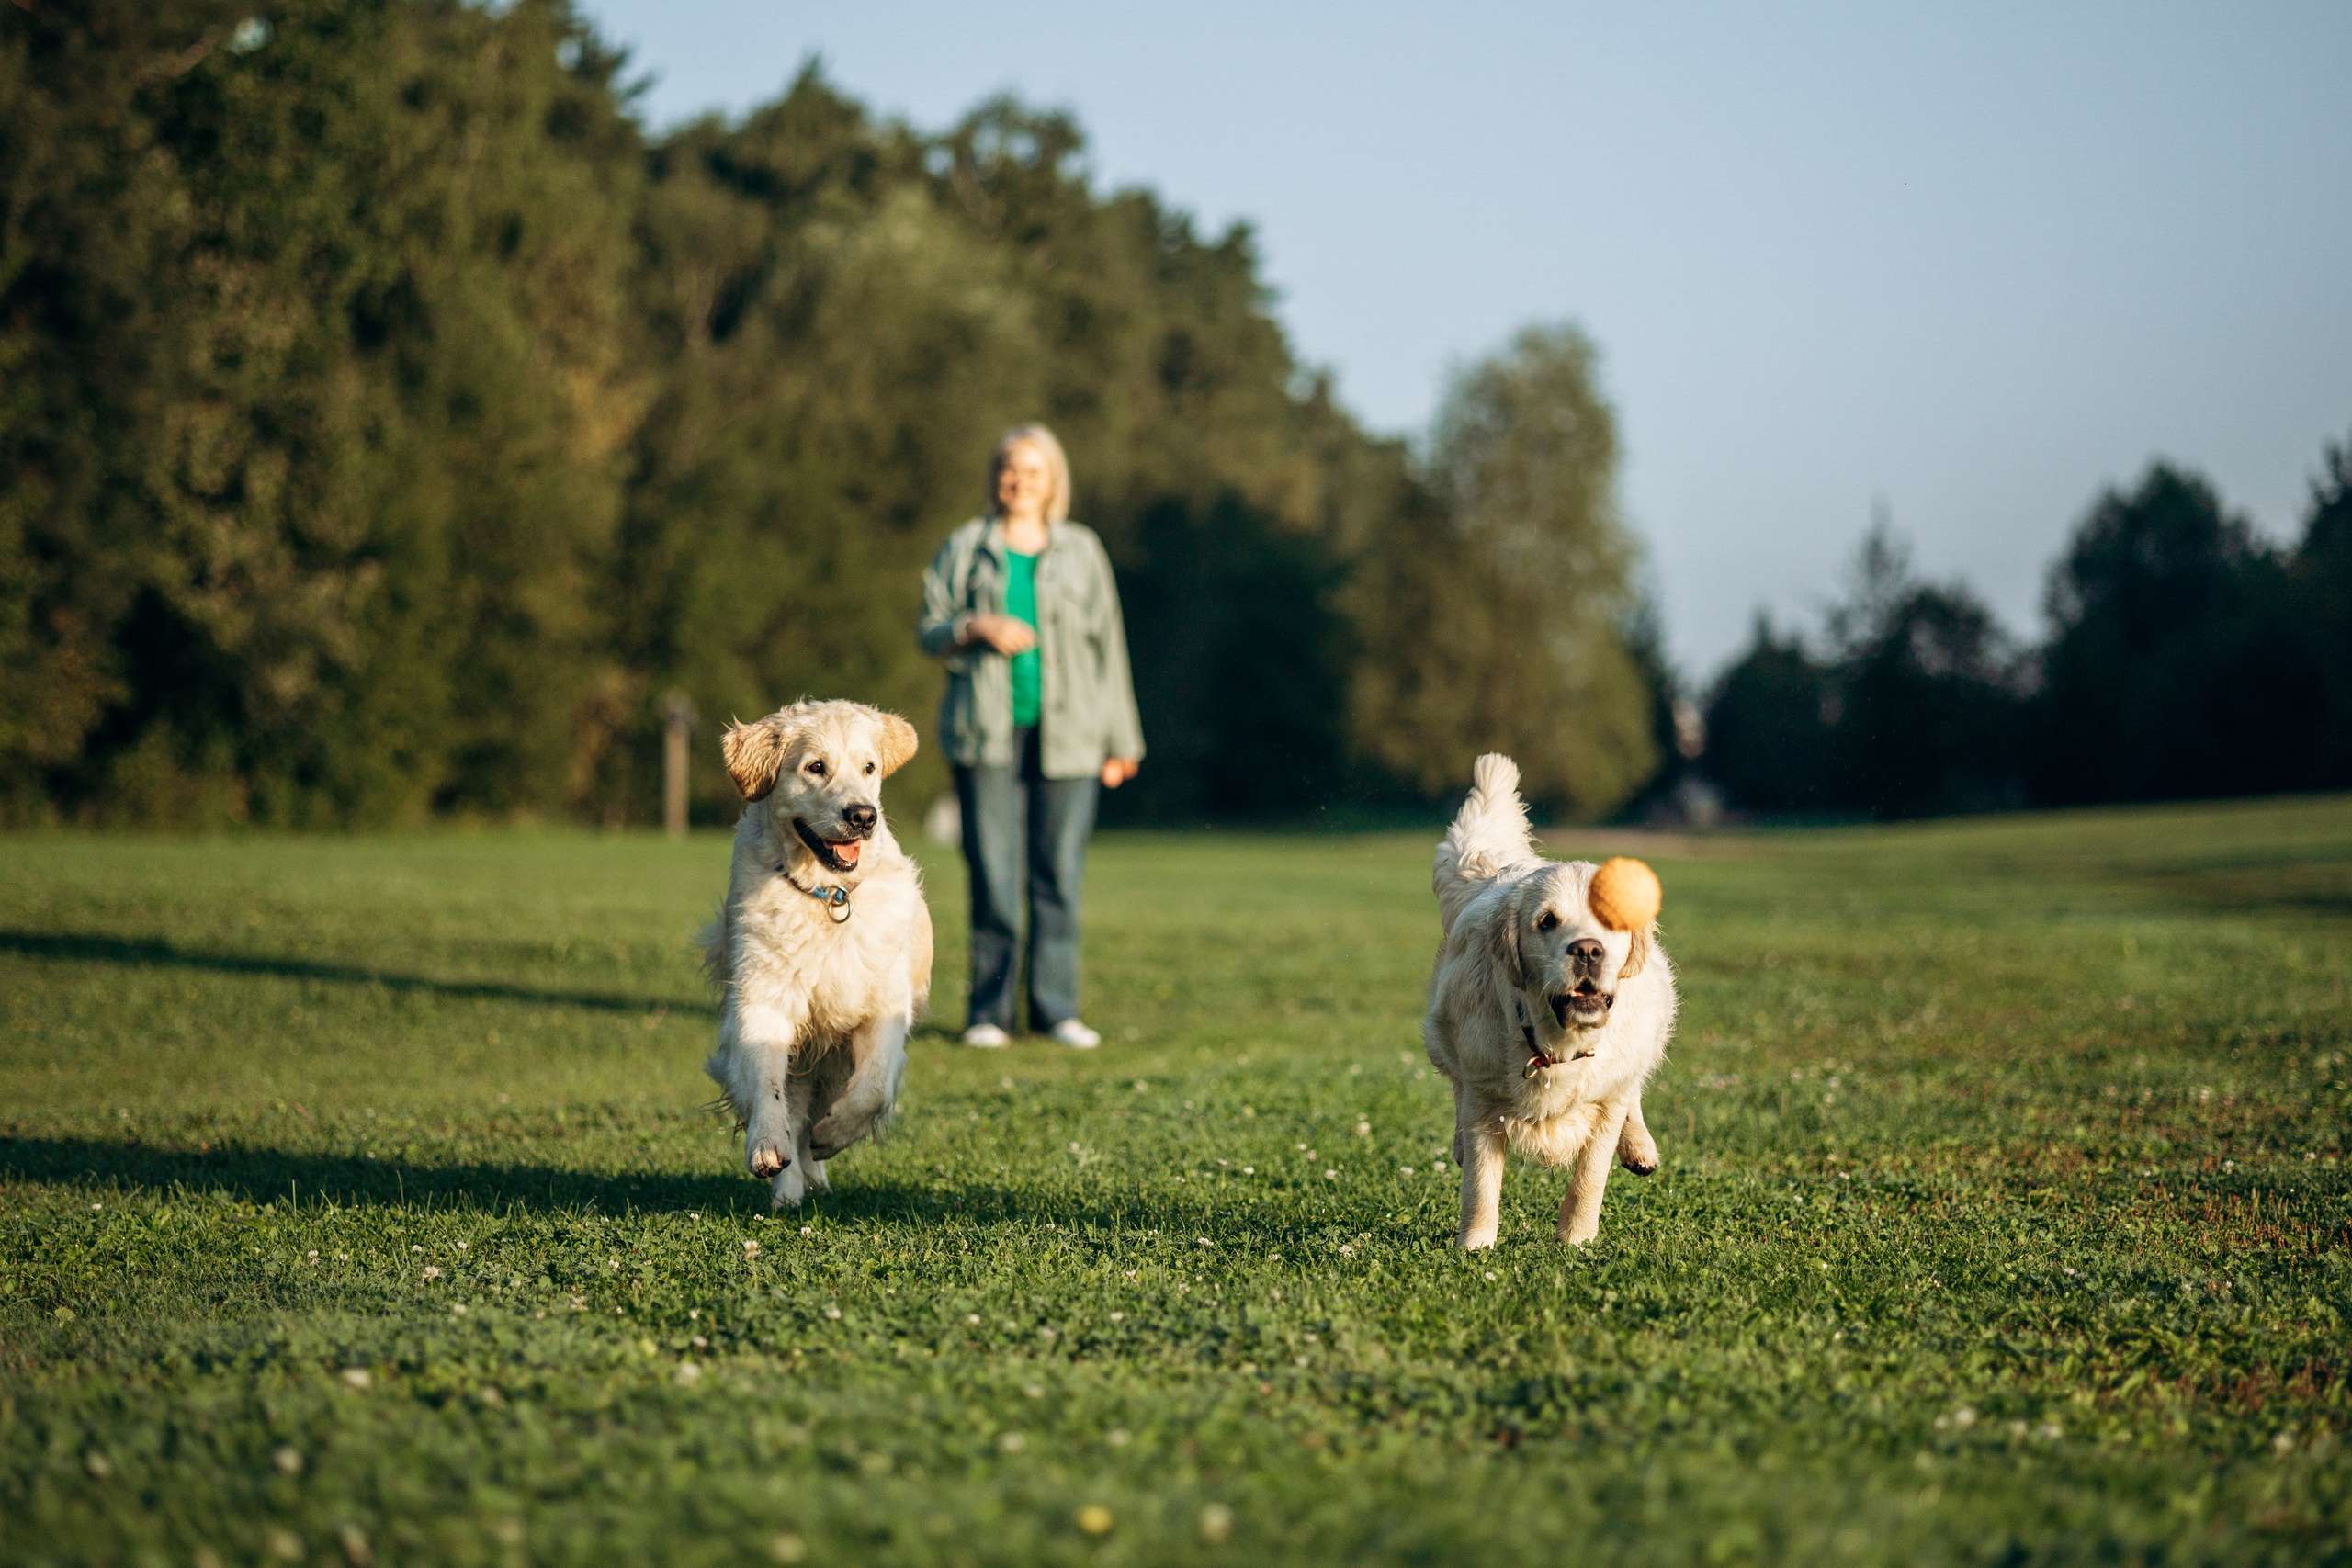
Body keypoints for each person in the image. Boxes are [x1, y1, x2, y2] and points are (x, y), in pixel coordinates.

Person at [918, 424, 1144, 1048]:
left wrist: (1123, 741)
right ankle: (988, 1014)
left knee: (1058, 874)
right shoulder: (965, 546)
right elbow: (929, 628)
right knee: (993, 874)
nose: (1019, 481)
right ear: (995, 477)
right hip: (983, 733)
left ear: (1053, 482)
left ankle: (1055, 1009)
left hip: (1072, 734)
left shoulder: (1083, 550)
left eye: (1032, 471)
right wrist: (974, 624)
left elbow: (1110, 647)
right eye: (1009, 470)